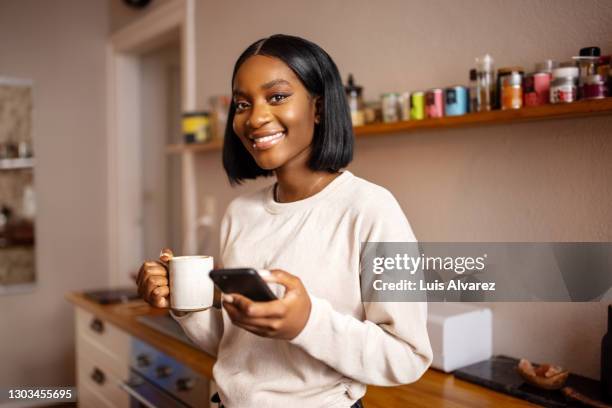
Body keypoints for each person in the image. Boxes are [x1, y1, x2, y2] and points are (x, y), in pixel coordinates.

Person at [137, 34, 432, 408]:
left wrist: (308, 323)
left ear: (319, 107)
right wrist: (182, 301)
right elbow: (238, 347)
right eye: (243, 104)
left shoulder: (371, 209)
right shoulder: (240, 214)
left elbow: (407, 356)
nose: (255, 118)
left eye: (276, 97)